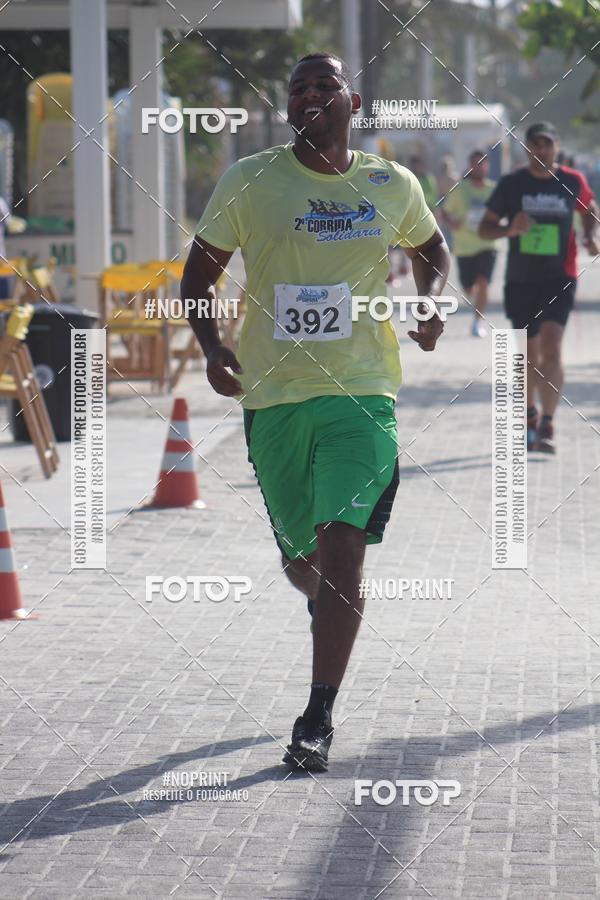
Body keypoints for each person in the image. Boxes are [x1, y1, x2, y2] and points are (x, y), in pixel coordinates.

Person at [182, 52, 449, 772]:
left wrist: (428, 304)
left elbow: (432, 246)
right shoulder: (250, 180)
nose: (308, 94)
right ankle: (323, 607)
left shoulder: (390, 183)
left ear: (351, 102)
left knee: (341, 552)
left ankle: (317, 713)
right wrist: (211, 348)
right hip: (273, 394)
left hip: (362, 392)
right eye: (296, 86)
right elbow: (197, 274)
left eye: (322, 85)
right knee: (304, 561)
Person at [479, 122, 599, 454]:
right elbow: (484, 229)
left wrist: (591, 235)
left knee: (553, 346)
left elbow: (590, 211)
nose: (541, 150)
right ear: (527, 148)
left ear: (556, 147)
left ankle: (548, 422)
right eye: (535, 144)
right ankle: (529, 414)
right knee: (530, 353)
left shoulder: (572, 181)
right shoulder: (512, 184)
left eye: (547, 144)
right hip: (520, 280)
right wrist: (508, 229)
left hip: (559, 277)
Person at [444, 150, 497, 337]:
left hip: (487, 244)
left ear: (487, 166)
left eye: (482, 163)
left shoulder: (494, 190)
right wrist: (452, 224)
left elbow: (504, 212)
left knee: (483, 282)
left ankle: (477, 322)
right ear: (470, 166)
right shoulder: (460, 190)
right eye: (475, 163)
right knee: (468, 287)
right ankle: (476, 304)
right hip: (464, 247)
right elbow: (444, 212)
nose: (478, 167)